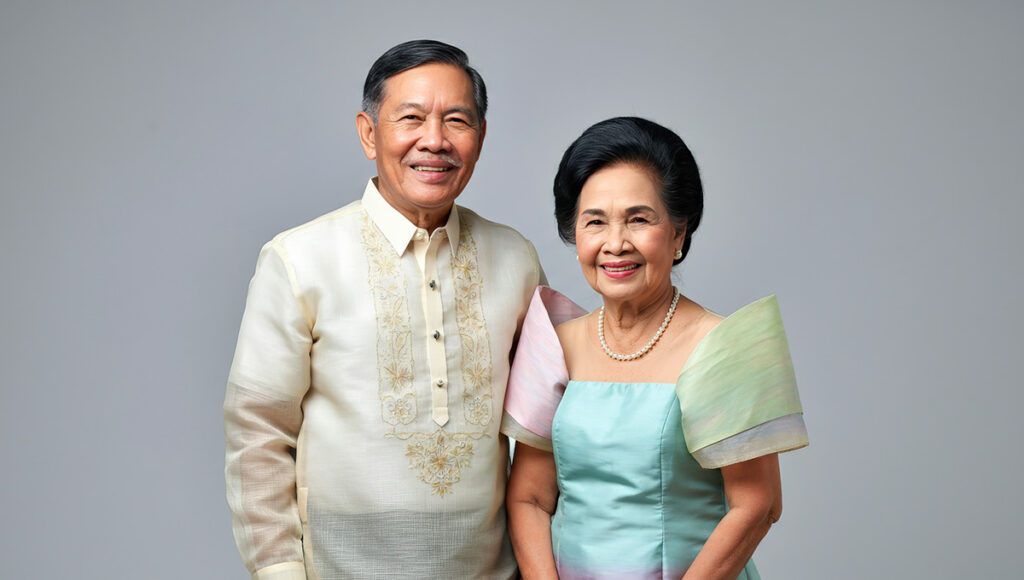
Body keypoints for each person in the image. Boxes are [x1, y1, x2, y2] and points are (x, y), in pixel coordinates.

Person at [224, 40, 543, 580]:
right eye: (411, 118)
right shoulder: (299, 259)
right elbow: (257, 433)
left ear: (481, 137)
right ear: (369, 133)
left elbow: (546, 430)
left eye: (457, 121)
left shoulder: (516, 259)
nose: (435, 140)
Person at [503, 117, 808, 579]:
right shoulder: (554, 344)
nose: (615, 243)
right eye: (595, 222)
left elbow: (758, 504)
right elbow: (530, 497)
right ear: (576, 235)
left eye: (639, 219)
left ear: (679, 234)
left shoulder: (720, 346)